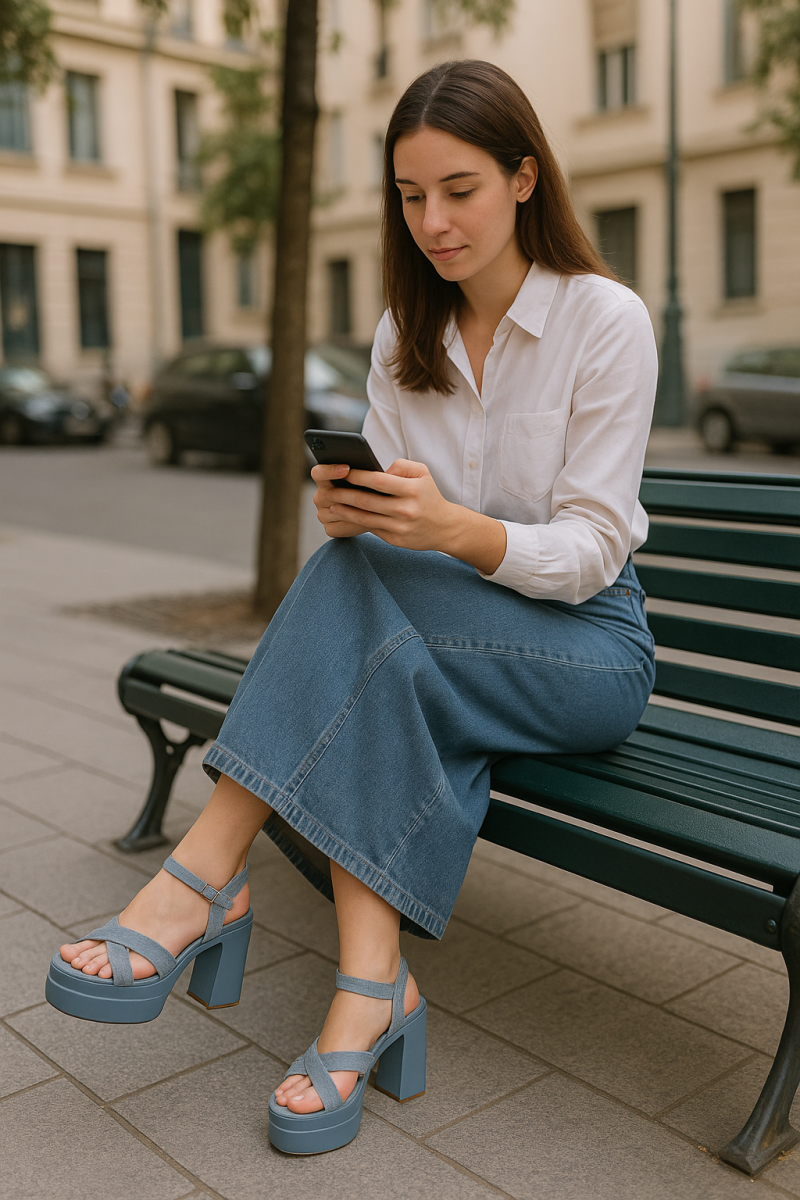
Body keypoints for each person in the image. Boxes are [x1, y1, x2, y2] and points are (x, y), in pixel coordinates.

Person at [47, 60, 657, 1155]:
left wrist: (454, 532)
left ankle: (198, 882)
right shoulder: (399, 334)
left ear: (524, 180)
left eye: (458, 189)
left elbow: (593, 548)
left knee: (367, 622)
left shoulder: (601, 320)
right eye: (409, 194)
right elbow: (382, 538)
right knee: (361, 607)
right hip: (425, 636)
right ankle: (368, 991)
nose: (431, 220)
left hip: (583, 649)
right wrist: (354, 512)